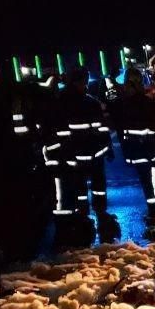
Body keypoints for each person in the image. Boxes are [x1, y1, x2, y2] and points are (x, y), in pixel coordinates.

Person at [44, 67, 115, 245]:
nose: (85, 84)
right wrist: (107, 147)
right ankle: (94, 218)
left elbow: (101, 128)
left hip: (79, 155)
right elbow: (101, 127)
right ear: (78, 81)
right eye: (84, 81)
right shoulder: (86, 102)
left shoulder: (62, 102)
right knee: (91, 188)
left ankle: (85, 218)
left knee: (82, 188)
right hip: (87, 154)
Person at [109, 67, 155, 217]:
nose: (125, 88)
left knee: (152, 185)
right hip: (145, 153)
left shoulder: (135, 104)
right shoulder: (130, 104)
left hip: (149, 153)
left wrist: (144, 137)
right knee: (150, 185)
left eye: (127, 84)